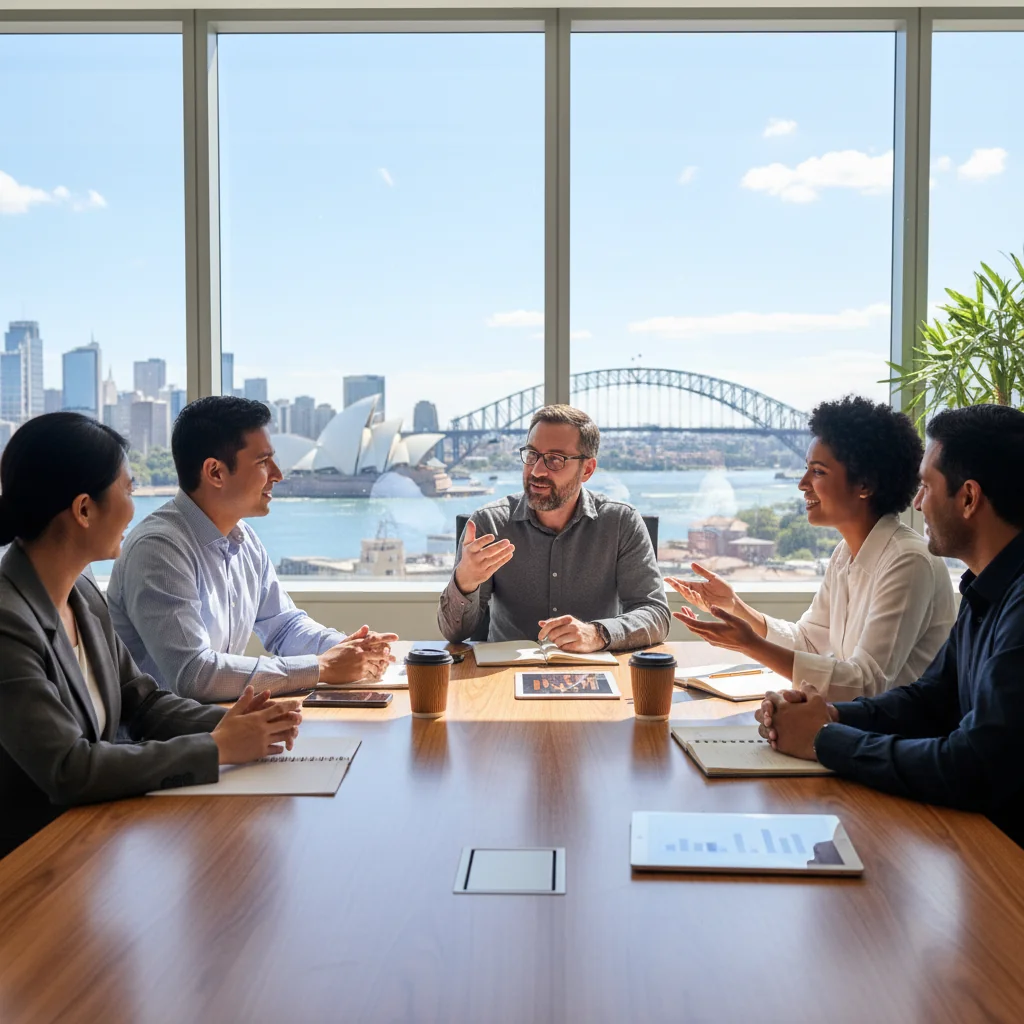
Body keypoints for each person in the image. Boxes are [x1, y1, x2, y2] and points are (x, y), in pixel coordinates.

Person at [0, 413, 302, 857]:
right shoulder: (8, 623)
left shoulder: (81, 591)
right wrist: (215, 748)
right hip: (33, 861)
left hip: (96, 838)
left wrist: (238, 725)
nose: (134, 507)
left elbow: (141, 701)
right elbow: (69, 767)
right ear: (84, 510)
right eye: (128, 490)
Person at [757, 405, 1024, 847]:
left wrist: (826, 740)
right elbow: (932, 700)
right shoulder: (987, 589)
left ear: (969, 497)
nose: (916, 502)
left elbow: (974, 766)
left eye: (926, 487)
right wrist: (832, 714)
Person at [107, 397, 397, 702]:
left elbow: (284, 626)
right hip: (162, 745)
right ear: (215, 472)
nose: (277, 474)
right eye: (263, 462)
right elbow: (194, 674)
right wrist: (320, 667)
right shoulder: (159, 551)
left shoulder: (243, 539)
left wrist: (349, 649)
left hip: (218, 731)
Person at [666, 396, 955, 701]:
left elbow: (866, 684)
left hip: (902, 741)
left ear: (865, 485)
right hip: (862, 729)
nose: (803, 483)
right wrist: (736, 607)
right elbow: (808, 642)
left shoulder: (907, 561)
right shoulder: (846, 554)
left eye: (818, 472)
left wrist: (751, 645)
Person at [438, 404, 670, 651]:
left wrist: (597, 634)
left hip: (593, 675)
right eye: (532, 455)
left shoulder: (621, 522)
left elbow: (656, 615)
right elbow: (454, 634)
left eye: (555, 460)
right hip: (503, 677)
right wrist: (465, 582)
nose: (537, 470)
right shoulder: (488, 524)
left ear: (587, 470)